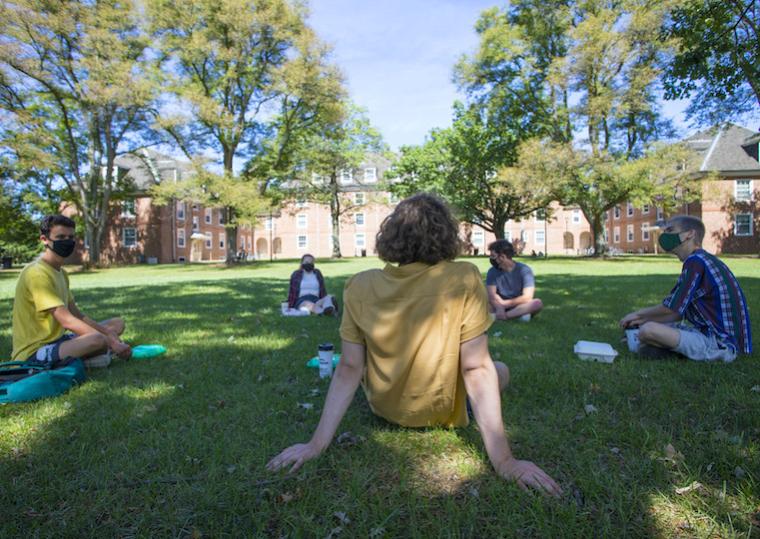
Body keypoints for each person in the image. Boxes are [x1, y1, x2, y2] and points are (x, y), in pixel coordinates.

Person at [268, 194, 561, 496]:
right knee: (500, 371)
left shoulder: (359, 284)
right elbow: (475, 367)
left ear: (391, 235)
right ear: (446, 234)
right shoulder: (463, 277)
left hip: (385, 408)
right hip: (443, 410)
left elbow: (349, 367)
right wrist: (505, 461)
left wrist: (315, 444)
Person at [620, 215, 752, 362]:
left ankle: (660, 347)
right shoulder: (703, 259)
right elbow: (676, 314)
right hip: (717, 337)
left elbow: (670, 309)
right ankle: (662, 347)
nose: (665, 235)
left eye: (670, 230)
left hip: (722, 344)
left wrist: (637, 316)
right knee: (649, 327)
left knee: (648, 330)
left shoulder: (695, 262)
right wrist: (642, 320)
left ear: (689, 234)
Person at [11, 215, 132, 368]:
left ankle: (91, 355)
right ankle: (89, 358)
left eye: (70, 237)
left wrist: (109, 334)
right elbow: (67, 320)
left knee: (117, 323)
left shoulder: (61, 273)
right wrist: (109, 341)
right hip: (34, 352)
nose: (67, 241)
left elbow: (77, 315)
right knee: (97, 340)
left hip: (59, 341)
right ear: (44, 239)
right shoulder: (36, 273)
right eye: (61, 237)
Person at [486, 240, 543, 322]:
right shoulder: (492, 271)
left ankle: (503, 316)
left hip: (519, 304)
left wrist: (504, 305)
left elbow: (527, 297)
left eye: (493, 256)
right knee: (481, 302)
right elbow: (491, 295)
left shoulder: (524, 270)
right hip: (498, 304)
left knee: (537, 303)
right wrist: (499, 307)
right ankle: (517, 315)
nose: (491, 259)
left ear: (502, 257)